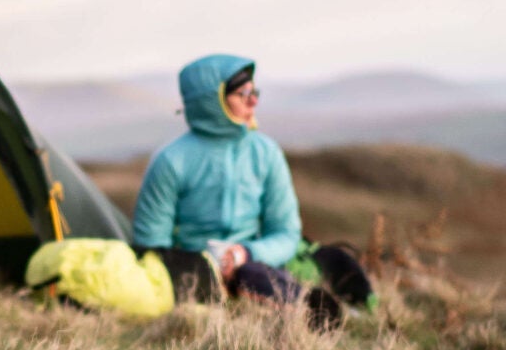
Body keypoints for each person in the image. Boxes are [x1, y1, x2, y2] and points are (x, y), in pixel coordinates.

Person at [130, 54, 370, 326]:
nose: (253, 100)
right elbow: (150, 245)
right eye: (242, 93)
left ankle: (320, 307)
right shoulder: (170, 161)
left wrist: (245, 253)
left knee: (262, 271)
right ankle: (303, 306)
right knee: (245, 277)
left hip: (254, 263)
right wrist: (206, 266)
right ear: (212, 100)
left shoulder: (266, 154)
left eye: (254, 91)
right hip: (193, 269)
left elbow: (286, 234)